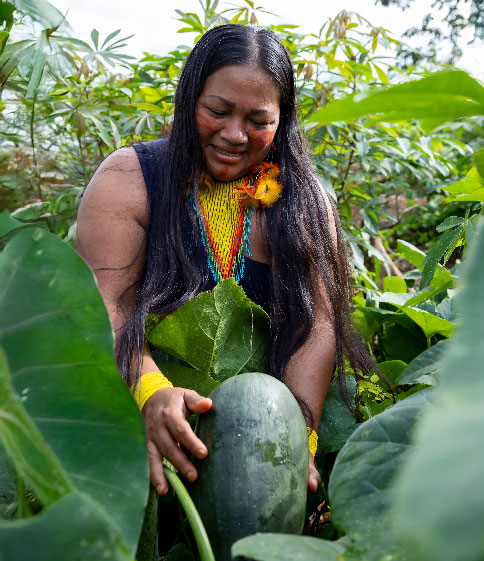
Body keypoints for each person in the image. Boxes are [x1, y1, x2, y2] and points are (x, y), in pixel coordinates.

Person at [75, 24, 374, 496]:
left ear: (283, 119)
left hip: (258, 437)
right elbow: (106, 305)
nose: (235, 135)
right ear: (190, 100)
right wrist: (152, 394)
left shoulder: (303, 200)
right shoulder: (128, 179)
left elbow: (315, 326)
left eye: (259, 121)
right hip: (129, 413)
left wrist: (295, 438)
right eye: (217, 111)